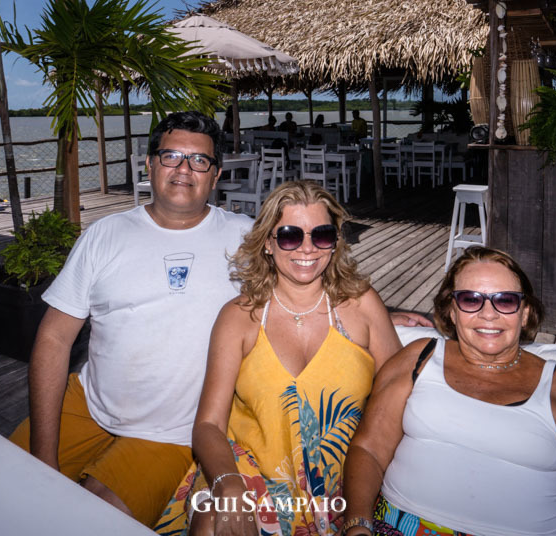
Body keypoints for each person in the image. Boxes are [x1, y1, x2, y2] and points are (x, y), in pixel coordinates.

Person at [11, 111, 430, 526]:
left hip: (171, 431)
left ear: (216, 175)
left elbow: (303, 277)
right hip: (87, 401)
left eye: (200, 160)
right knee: (4, 482)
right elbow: (53, 339)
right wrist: (43, 459)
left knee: (87, 519)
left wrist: (378, 315)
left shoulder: (245, 238)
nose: (184, 169)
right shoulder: (103, 235)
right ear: (150, 164)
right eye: (172, 156)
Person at [156, 180, 402, 536]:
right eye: (290, 236)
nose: (307, 248)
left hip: (340, 485)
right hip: (247, 471)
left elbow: (399, 398)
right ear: (268, 243)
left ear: (335, 242)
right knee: (214, 522)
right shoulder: (240, 318)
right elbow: (208, 425)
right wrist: (229, 484)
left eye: (321, 235)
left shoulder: (362, 308)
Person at [342, 245, 556, 536]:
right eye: (471, 299)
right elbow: (369, 449)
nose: (488, 314)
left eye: (505, 300)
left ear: (525, 313)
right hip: (396, 528)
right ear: (452, 311)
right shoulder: (419, 359)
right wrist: (357, 524)